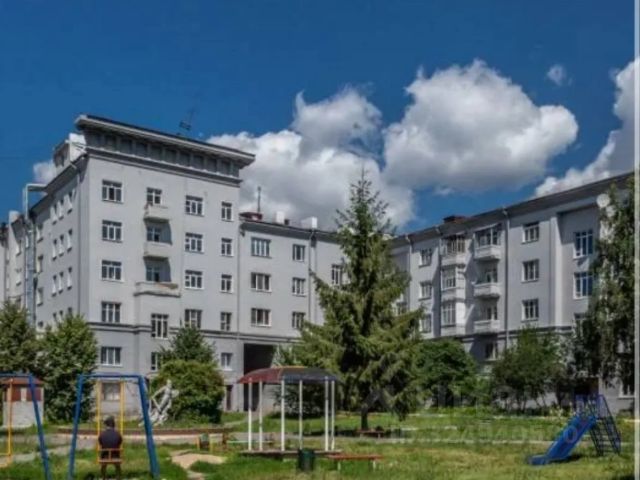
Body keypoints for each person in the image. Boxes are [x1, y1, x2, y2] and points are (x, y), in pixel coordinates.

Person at [98, 416, 123, 480]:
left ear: (106, 425)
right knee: (118, 466)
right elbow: (120, 442)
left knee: (103, 465)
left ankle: (104, 477)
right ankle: (118, 477)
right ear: (114, 425)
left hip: (105, 456)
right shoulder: (118, 434)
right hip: (115, 456)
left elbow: (100, 443)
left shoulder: (102, 434)